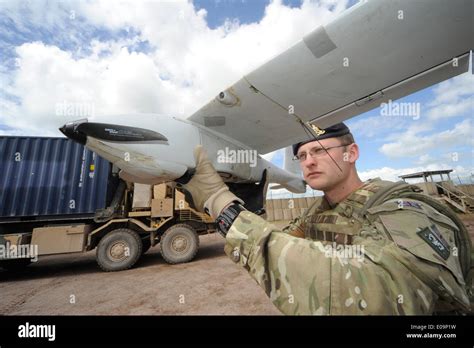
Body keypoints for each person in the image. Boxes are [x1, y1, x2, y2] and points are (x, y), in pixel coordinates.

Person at [181, 123, 473, 315]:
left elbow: (378, 295)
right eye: (302, 155)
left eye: (320, 150)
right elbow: (276, 248)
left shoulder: (400, 207)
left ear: (352, 153)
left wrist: (221, 203)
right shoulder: (317, 212)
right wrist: (247, 209)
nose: (308, 161)